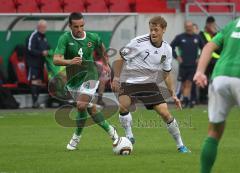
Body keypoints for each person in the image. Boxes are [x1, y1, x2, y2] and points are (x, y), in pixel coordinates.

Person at [112, 16, 190, 153]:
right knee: (123, 106)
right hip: (130, 81)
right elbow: (120, 58)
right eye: (151, 29)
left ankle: (180, 145)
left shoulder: (167, 49)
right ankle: (129, 136)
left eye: (156, 30)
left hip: (149, 84)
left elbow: (166, 74)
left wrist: (173, 94)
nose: (153, 33)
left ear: (164, 30)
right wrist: (116, 78)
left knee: (165, 114)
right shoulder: (138, 42)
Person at [53, 12, 118, 151]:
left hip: (90, 75)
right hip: (73, 80)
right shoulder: (64, 38)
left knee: (81, 105)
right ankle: (111, 131)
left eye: (82, 26)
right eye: (76, 26)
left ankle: (76, 137)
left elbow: (101, 47)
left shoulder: (92, 37)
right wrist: (69, 61)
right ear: (70, 26)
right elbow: (56, 59)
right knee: (90, 108)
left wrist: (106, 63)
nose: (79, 29)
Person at [194, 17, 240, 173]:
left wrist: (200, 72)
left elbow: (208, 47)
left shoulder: (232, 25)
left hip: (219, 77)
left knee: (214, 131)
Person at [171, 21, 204, 108]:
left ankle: (185, 101)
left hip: (193, 66)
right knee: (182, 84)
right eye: (187, 26)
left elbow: (204, 48)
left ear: (193, 27)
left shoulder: (197, 37)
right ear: (185, 27)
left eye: (190, 26)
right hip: (183, 66)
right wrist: (177, 57)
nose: (189, 28)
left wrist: (199, 57)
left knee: (189, 83)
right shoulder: (180, 37)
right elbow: (171, 47)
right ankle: (181, 99)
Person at [26, 19, 50, 108]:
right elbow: (29, 49)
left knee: (39, 82)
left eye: (45, 27)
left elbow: (47, 47)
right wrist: (41, 53)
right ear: (38, 27)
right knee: (34, 82)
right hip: (32, 64)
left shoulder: (44, 37)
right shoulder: (33, 36)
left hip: (41, 64)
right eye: (42, 27)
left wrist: (49, 52)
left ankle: (36, 102)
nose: (44, 29)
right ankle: (34, 102)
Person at [198, 16, 220, 104]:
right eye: (210, 25)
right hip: (206, 60)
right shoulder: (201, 34)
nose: (212, 26)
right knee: (204, 78)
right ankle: (203, 98)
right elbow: (204, 46)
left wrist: (214, 33)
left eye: (213, 24)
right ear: (206, 25)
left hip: (217, 60)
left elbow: (219, 47)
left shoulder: (217, 34)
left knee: (216, 79)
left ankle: (216, 97)